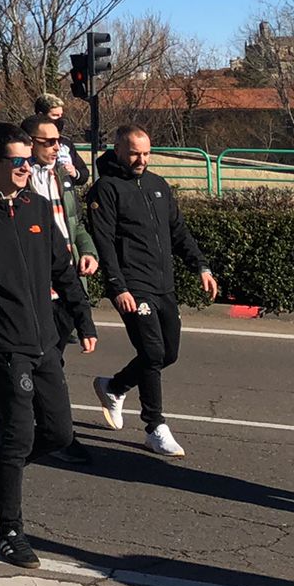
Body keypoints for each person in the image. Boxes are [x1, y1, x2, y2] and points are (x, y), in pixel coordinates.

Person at [0, 122, 98, 568]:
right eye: (17, 162)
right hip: (4, 342)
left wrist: (83, 319)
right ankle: (9, 531)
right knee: (18, 435)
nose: (26, 168)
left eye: (29, 161)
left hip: (45, 338)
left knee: (60, 433)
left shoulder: (36, 208)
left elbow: (63, 270)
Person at [85, 126, 218, 458]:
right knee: (153, 353)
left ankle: (113, 387)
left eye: (146, 153)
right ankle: (154, 426)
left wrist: (200, 266)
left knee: (168, 353)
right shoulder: (106, 189)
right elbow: (104, 243)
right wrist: (118, 287)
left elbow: (177, 230)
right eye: (134, 153)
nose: (141, 159)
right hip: (133, 287)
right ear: (118, 150)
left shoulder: (158, 185)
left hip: (164, 285)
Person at [19, 113, 100, 463]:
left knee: (56, 358)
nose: (57, 147)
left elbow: (75, 222)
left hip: (66, 276)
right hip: (38, 283)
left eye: (58, 141)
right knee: (48, 359)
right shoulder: (17, 181)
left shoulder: (60, 177)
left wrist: (88, 251)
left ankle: (23, 406)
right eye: (48, 141)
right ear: (29, 143)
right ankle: (58, 434)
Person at [32, 94, 88, 185]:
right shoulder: (31, 142)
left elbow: (84, 172)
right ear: (41, 116)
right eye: (55, 115)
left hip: (65, 193)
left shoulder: (66, 143)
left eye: (61, 115)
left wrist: (75, 173)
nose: (59, 120)